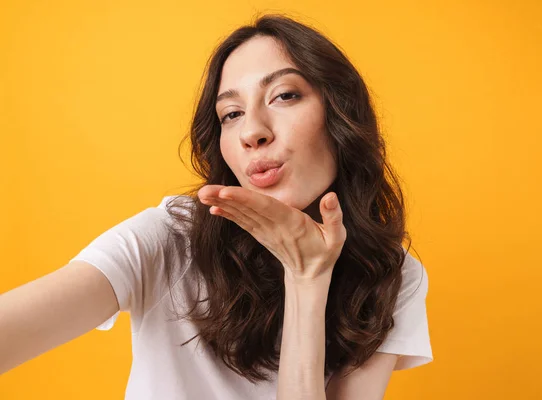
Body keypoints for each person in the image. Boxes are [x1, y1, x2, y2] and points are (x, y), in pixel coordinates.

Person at [0, 13, 433, 399]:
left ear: (341, 113)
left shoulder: (393, 274)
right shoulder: (171, 239)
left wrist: (308, 279)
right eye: (231, 114)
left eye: (283, 95)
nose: (253, 132)